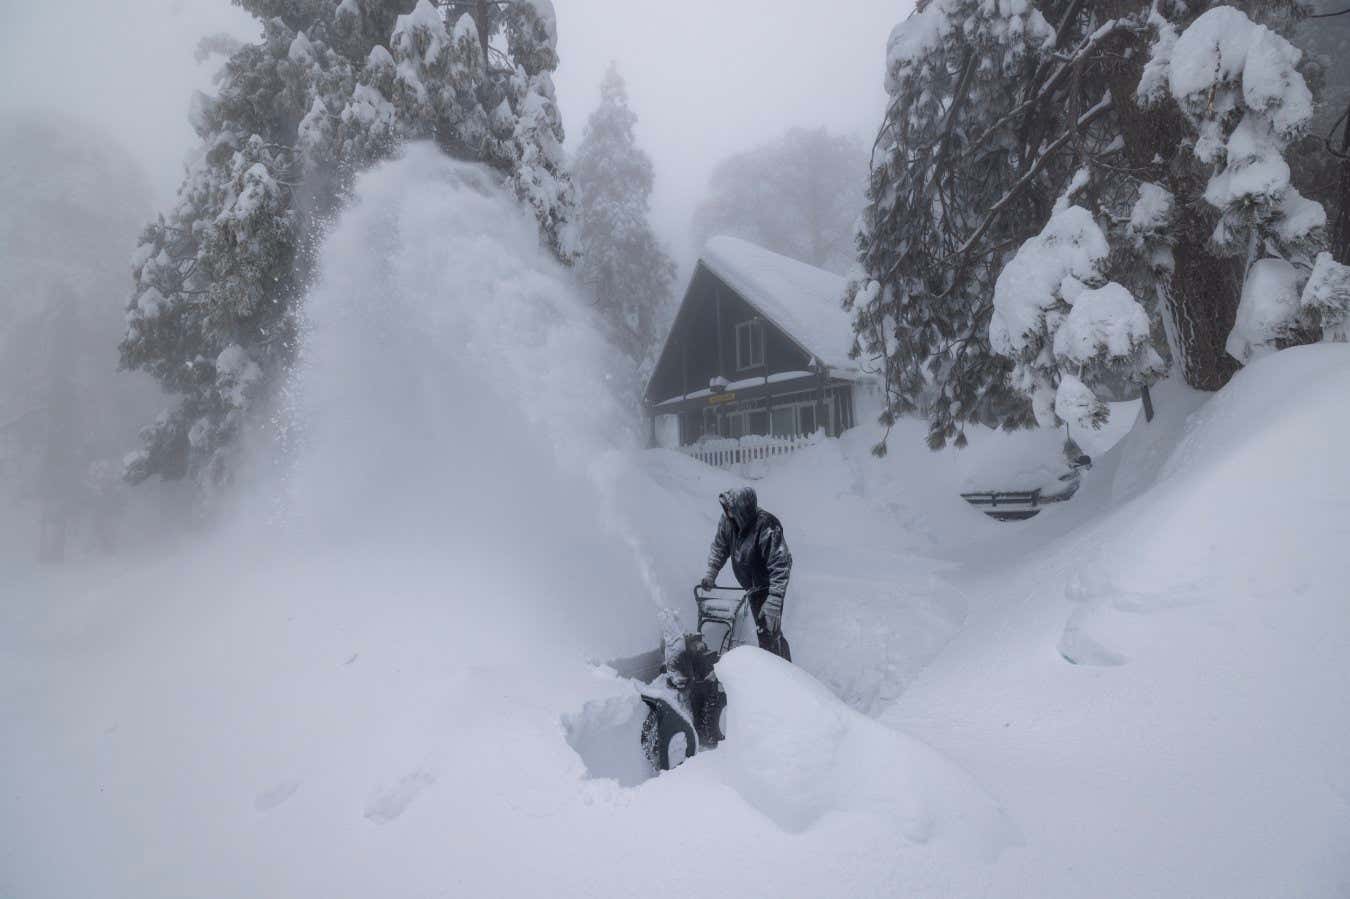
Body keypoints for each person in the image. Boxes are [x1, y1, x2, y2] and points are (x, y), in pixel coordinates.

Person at [700, 486, 792, 661]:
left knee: (768, 630)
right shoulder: (728, 522)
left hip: (770, 584)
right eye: (726, 508)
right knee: (765, 632)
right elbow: (720, 547)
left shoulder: (767, 525)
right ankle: (778, 669)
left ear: (743, 509)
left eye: (731, 509)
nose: (727, 512)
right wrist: (711, 573)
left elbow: (781, 567)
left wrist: (773, 603)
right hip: (752, 586)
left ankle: (783, 676)